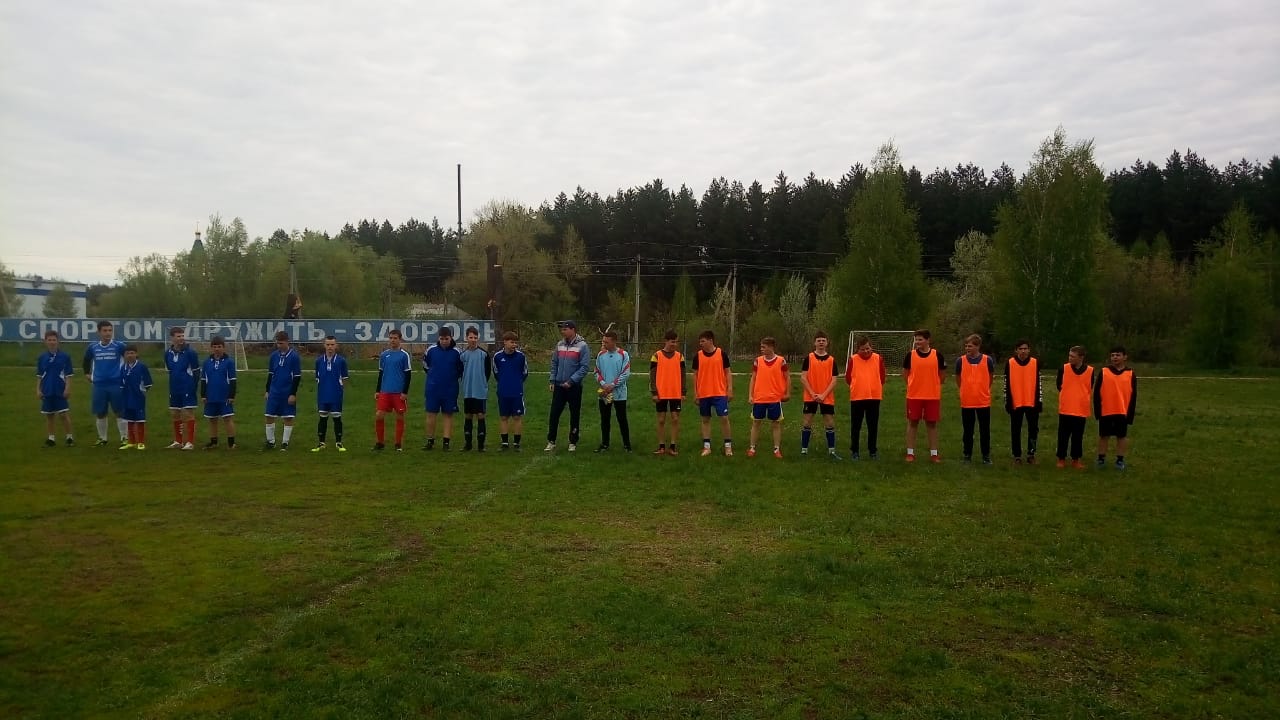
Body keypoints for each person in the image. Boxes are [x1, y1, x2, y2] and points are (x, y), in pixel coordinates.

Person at [545, 320, 589, 453]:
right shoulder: (559, 345)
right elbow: (554, 363)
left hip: (574, 387)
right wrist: (552, 380)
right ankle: (551, 441)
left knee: (574, 414)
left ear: (573, 330)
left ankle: (573, 441)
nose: (562, 331)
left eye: (565, 329)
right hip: (559, 385)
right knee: (554, 413)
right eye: (562, 329)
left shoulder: (582, 346)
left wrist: (571, 381)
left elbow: (584, 367)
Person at [903, 329, 946, 463]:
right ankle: (910, 453)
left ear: (928, 340)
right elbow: (906, 374)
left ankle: (934, 454)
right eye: (916, 339)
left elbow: (942, 375)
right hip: (914, 396)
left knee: (932, 424)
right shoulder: (910, 356)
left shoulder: (937, 355)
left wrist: (933, 385)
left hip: (932, 396)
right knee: (912, 423)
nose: (917, 342)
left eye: (920, 339)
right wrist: (914, 385)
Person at [83, 320, 128, 446]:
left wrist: (128, 373)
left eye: (110, 330)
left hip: (116, 383)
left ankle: (124, 437)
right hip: (99, 384)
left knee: (120, 411)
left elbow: (132, 357)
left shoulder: (119, 346)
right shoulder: (93, 347)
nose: (108, 333)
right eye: (105, 330)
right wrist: (87, 373)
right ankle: (103, 438)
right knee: (100, 412)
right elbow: (86, 360)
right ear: (99, 332)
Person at [1094, 345, 1137, 470]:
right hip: (1106, 411)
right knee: (1104, 436)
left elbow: (1133, 395)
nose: (1115, 357)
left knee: (1121, 436)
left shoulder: (1130, 374)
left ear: (1125, 357)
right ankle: (1101, 459)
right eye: (1112, 355)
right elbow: (1096, 393)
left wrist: (1130, 415)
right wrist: (1098, 411)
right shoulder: (1104, 372)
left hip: (1122, 411)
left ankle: (1119, 460)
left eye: (1118, 355)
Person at [691, 329, 733, 457]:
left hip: (719, 392)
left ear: (710, 340)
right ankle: (707, 447)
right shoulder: (698, 356)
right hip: (704, 393)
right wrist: (695, 393)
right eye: (700, 342)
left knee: (724, 418)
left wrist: (729, 389)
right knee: (705, 419)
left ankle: (728, 447)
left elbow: (728, 372)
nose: (701, 344)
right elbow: (695, 375)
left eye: (703, 341)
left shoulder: (721, 354)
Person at [954, 334, 995, 464]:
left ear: (978, 346)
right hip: (967, 401)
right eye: (966, 346)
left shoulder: (987, 360)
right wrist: (964, 390)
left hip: (983, 401)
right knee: (968, 430)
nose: (967, 348)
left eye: (970, 346)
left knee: (985, 430)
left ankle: (985, 455)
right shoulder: (960, 361)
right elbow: (958, 378)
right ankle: (967, 454)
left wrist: (983, 390)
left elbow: (990, 377)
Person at [799, 331, 840, 459]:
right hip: (810, 396)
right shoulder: (809, 358)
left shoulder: (832, 360)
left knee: (829, 423)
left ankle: (832, 451)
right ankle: (804, 450)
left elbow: (834, 380)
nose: (821, 342)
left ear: (827, 343)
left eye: (823, 340)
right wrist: (812, 393)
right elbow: (803, 378)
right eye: (819, 340)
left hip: (826, 396)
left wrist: (823, 395)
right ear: (814, 343)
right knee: (807, 422)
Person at [747, 336, 789, 458]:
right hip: (759, 398)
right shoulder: (758, 361)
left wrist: (787, 393)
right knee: (756, 422)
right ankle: (752, 448)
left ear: (771, 347)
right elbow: (753, 378)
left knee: (776, 424)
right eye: (761, 347)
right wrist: (750, 395)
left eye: (763, 347)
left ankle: (776, 449)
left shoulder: (781, 361)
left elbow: (787, 377)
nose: (761, 349)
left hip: (775, 398)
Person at [845, 334, 885, 460]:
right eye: (863, 349)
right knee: (856, 426)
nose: (866, 351)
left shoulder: (878, 358)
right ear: (858, 349)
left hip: (874, 397)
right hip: (857, 397)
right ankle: (855, 451)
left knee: (873, 426)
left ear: (871, 347)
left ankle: (873, 451)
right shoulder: (853, 359)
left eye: (868, 348)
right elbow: (848, 378)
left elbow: (882, 377)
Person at [422, 326, 463, 450]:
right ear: (438, 338)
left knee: (448, 414)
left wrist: (452, 377)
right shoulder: (431, 350)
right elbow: (426, 366)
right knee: (431, 414)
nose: (444, 341)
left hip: (450, 389)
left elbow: (461, 369)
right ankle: (430, 441)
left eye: (446, 339)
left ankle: (446, 442)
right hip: (433, 388)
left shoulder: (457, 352)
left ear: (451, 338)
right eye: (442, 339)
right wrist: (434, 377)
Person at [593, 328, 632, 452]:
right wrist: (603, 384)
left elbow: (625, 373)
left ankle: (627, 445)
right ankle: (605, 444)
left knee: (622, 419)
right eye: (603, 342)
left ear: (614, 341)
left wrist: (613, 385)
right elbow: (596, 371)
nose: (604, 344)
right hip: (604, 393)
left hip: (619, 394)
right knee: (605, 419)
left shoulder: (623, 354)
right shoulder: (601, 355)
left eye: (607, 342)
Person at [1005, 339, 1043, 464]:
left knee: (1033, 429)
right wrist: (1007, 402)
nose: (1023, 351)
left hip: (1032, 403)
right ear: (1016, 350)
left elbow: (1039, 383)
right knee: (1015, 430)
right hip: (1016, 403)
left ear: (1029, 350)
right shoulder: (1010, 363)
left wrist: (1039, 401)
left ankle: (1031, 454)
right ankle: (1017, 455)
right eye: (1020, 349)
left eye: (1025, 348)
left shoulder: (1035, 363)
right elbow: (1006, 384)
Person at [373, 329, 412, 451]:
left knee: (399, 416)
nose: (392, 340)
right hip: (385, 391)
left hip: (398, 392)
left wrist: (404, 392)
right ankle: (380, 443)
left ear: (400, 339)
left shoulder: (404, 355)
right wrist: (378, 390)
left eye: (395, 338)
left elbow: (408, 374)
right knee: (379, 415)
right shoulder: (384, 355)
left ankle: (398, 444)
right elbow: (381, 373)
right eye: (390, 338)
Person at [649, 329, 686, 456]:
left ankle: (673, 446)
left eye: (676, 342)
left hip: (675, 393)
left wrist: (683, 392)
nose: (674, 344)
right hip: (661, 393)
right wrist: (654, 392)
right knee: (661, 420)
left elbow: (683, 375)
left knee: (675, 418)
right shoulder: (656, 356)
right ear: (666, 341)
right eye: (672, 342)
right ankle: (661, 446)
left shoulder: (680, 356)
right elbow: (652, 375)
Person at [263, 330, 302, 451]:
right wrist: (267, 390)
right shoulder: (274, 356)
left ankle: (285, 443)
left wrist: (292, 394)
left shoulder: (294, 357)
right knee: (269, 415)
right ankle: (270, 442)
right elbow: (270, 374)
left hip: (287, 391)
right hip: (274, 390)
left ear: (287, 342)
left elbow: (297, 376)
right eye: (277, 343)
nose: (279, 345)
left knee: (288, 417)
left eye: (281, 343)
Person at [1055, 345, 1092, 469]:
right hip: (1066, 408)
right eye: (1069, 355)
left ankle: (1076, 459)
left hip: (1081, 409)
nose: (1070, 358)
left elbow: (1089, 386)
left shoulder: (1090, 370)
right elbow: (1059, 385)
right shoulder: (1063, 369)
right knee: (1063, 435)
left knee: (1078, 436)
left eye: (1073, 356)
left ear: (1081, 357)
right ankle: (1061, 458)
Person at [36, 329, 75, 447]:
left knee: (63, 414)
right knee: (49, 414)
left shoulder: (65, 356)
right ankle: (51, 438)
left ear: (58, 341)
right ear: (45, 341)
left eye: (54, 340)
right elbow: (39, 375)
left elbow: (68, 375)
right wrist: (38, 389)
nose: (52, 342)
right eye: (49, 340)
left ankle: (69, 437)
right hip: (47, 389)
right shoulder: (42, 357)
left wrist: (67, 388)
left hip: (60, 389)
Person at [164, 326, 201, 450]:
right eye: (178, 336)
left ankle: (190, 442)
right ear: (172, 338)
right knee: (175, 413)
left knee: (188, 413)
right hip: (174, 387)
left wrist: (193, 386)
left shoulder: (191, 353)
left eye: (182, 336)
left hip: (187, 387)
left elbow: (196, 371)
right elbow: (170, 369)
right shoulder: (167, 353)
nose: (181, 338)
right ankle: (178, 441)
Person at [312, 335, 350, 452]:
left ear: (336, 346)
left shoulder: (341, 361)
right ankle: (321, 443)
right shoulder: (319, 361)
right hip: (323, 394)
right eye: (328, 344)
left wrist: (340, 389)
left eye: (332, 344)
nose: (330, 347)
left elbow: (345, 378)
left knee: (337, 418)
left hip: (336, 394)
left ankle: (339, 443)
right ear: (324, 345)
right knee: (322, 417)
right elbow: (317, 378)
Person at [492, 331, 529, 451]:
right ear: (505, 342)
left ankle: (517, 443)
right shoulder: (497, 357)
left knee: (517, 417)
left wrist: (517, 382)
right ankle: (504, 443)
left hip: (517, 392)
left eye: (515, 342)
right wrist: (504, 382)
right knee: (504, 417)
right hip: (503, 392)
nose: (514, 345)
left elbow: (525, 372)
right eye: (512, 342)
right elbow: (496, 372)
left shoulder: (521, 357)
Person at [201, 336, 238, 449]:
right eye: (215, 347)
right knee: (212, 419)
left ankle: (231, 443)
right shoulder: (206, 362)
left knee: (227, 418)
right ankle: (213, 442)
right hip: (211, 395)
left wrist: (231, 395)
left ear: (223, 348)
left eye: (219, 346)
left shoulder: (229, 362)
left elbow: (233, 380)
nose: (217, 349)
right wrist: (203, 395)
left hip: (224, 396)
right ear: (211, 348)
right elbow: (203, 380)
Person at [459, 326, 492, 451]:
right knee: (468, 415)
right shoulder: (463, 355)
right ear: (466, 338)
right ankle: (468, 444)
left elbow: (487, 372)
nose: (473, 340)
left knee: (480, 415)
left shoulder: (484, 354)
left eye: (475, 337)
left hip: (480, 391)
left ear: (478, 339)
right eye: (471, 337)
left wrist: (482, 383)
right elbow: (460, 371)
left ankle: (481, 445)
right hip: (468, 390)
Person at [119, 345, 153, 450]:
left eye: (132, 353)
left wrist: (142, 392)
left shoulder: (142, 367)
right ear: (124, 355)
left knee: (140, 420)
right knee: (129, 419)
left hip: (138, 397)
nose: (130, 355)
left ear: (136, 354)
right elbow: (121, 383)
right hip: (126, 397)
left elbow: (148, 383)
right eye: (128, 353)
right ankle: (131, 441)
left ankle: (141, 442)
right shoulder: (123, 367)